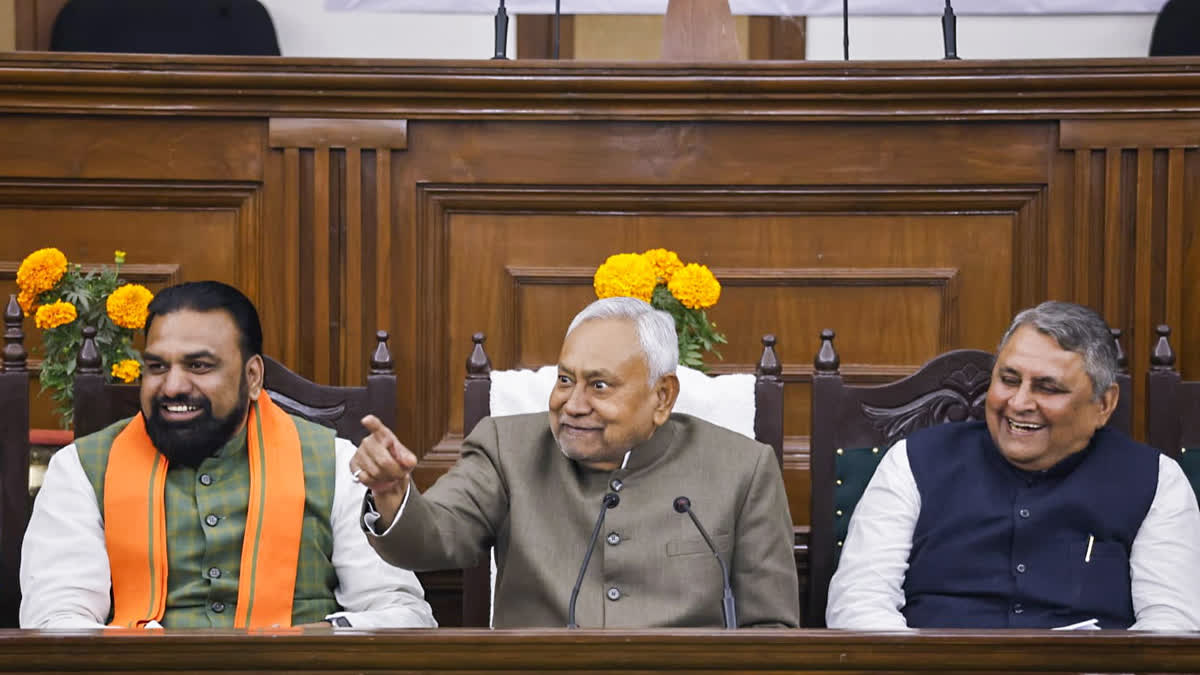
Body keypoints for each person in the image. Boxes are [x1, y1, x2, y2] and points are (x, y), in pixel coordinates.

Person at [352, 296, 799, 628]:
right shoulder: (507, 448)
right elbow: (433, 538)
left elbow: (772, 630)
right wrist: (393, 496)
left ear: (662, 397)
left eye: (599, 386)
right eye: (565, 379)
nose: (573, 404)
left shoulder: (743, 468)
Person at [21, 281, 435, 629]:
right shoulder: (81, 469)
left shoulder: (335, 465)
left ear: (252, 377)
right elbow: (56, 621)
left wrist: (308, 641)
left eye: (199, 366)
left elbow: (403, 616)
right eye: (157, 366)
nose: (172, 387)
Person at [826, 301, 1200, 631]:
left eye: (1048, 388)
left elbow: (1170, 629)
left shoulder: (1155, 482)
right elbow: (859, 604)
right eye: (1008, 380)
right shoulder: (912, 461)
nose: (1019, 402)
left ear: (1103, 404)